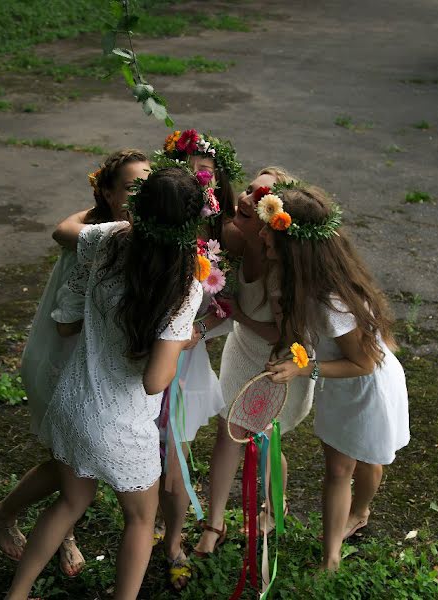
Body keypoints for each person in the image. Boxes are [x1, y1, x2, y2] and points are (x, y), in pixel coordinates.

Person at [2, 165, 206, 600]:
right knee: (139, 520)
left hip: (74, 403)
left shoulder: (108, 239)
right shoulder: (183, 287)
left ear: (137, 206)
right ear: (192, 223)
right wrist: (184, 341)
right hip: (122, 425)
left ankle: (16, 593)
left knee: (70, 503)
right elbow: (155, 381)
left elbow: (65, 325)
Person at [0, 150, 149, 577]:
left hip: (95, 369)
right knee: (70, 464)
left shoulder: (137, 236)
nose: (142, 194)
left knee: (74, 467)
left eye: (148, 185)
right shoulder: (96, 238)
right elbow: (67, 322)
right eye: (132, 187)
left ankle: (45, 524)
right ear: (109, 194)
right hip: (66, 363)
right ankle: (9, 515)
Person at [259, 182, 410, 571]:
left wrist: (303, 367)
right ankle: (331, 555)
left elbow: (364, 363)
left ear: (295, 247)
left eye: (268, 231)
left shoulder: (333, 304)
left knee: (368, 458)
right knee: (338, 467)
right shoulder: (296, 278)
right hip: (337, 383)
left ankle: (359, 513)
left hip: (365, 386)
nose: (260, 235)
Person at [193, 167, 316, 558]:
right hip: (243, 350)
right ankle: (214, 523)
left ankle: (272, 504)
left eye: (260, 196)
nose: (246, 198)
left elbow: (287, 337)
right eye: (248, 189)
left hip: (278, 364)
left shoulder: (283, 267)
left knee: (261, 438)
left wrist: (237, 316)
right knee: (230, 431)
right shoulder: (234, 236)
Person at [151, 129, 244, 590]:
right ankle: (139, 524)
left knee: (175, 461)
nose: (196, 185)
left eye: (203, 177)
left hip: (185, 365)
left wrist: (198, 332)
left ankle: (172, 541)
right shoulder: (150, 229)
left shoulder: (223, 239)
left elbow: (230, 307)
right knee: (139, 453)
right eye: (186, 177)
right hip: (141, 357)